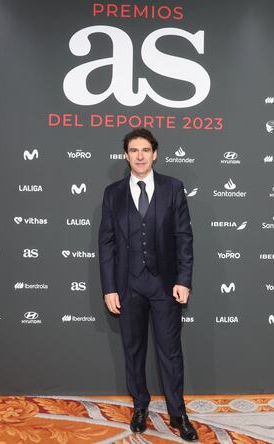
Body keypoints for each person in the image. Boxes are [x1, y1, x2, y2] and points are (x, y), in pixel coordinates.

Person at [98, 128, 198, 441]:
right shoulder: (112, 193)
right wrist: (109, 287)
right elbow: (107, 244)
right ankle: (140, 406)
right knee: (133, 349)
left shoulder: (173, 188)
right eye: (133, 150)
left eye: (145, 150)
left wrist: (184, 279)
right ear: (126, 155)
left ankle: (177, 413)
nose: (139, 156)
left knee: (171, 352)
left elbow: (183, 237)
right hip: (128, 287)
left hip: (165, 285)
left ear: (154, 153)